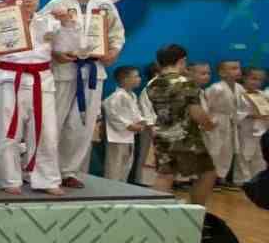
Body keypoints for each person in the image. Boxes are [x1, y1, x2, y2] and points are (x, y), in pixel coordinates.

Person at [0, 0, 79, 195]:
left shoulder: (49, 22)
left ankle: (46, 179)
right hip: (9, 79)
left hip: (42, 80)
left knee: (47, 132)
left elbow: (69, 49)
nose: (28, 0)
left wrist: (68, 24)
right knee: (9, 132)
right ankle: (11, 179)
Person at [44, 0, 126, 188]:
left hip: (92, 71)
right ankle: (46, 170)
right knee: (53, 122)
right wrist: (54, 53)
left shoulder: (106, 6)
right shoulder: (55, 5)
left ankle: (70, 171)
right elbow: (41, 34)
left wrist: (113, 53)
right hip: (62, 70)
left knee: (83, 124)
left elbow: (117, 35)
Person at [146, 44, 218, 206]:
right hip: (185, 136)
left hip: (162, 135)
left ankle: (153, 212)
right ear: (182, 60)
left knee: (165, 175)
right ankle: (197, 210)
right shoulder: (186, 83)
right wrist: (209, 124)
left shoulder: (152, 83)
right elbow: (195, 111)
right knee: (208, 173)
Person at [103, 66, 150, 182]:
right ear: (125, 80)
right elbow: (110, 110)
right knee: (114, 166)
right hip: (116, 137)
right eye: (136, 76)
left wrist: (142, 121)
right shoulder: (117, 96)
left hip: (128, 137)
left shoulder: (132, 95)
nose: (139, 79)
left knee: (126, 166)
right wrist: (128, 125)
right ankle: (110, 189)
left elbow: (135, 113)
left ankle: (121, 188)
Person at [205, 60, 244, 186]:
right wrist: (208, 121)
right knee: (214, 149)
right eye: (233, 68)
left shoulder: (239, 88)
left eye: (238, 68)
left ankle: (221, 177)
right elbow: (206, 106)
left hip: (231, 122)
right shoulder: (216, 88)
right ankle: (209, 178)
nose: (238, 71)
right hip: (216, 122)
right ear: (222, 73)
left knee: (227, 151)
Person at [235, 67, 268, 184]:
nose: (257, 82)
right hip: (244, 130)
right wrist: (251, 115)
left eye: (260, 80)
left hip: (260, 131)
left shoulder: (262, 94)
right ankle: (242, 180)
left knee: (258, 156)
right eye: (253, 79)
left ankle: (257, 180)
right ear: (244, 78)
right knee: (243, 155)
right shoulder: (239, 94)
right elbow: (234, 113)